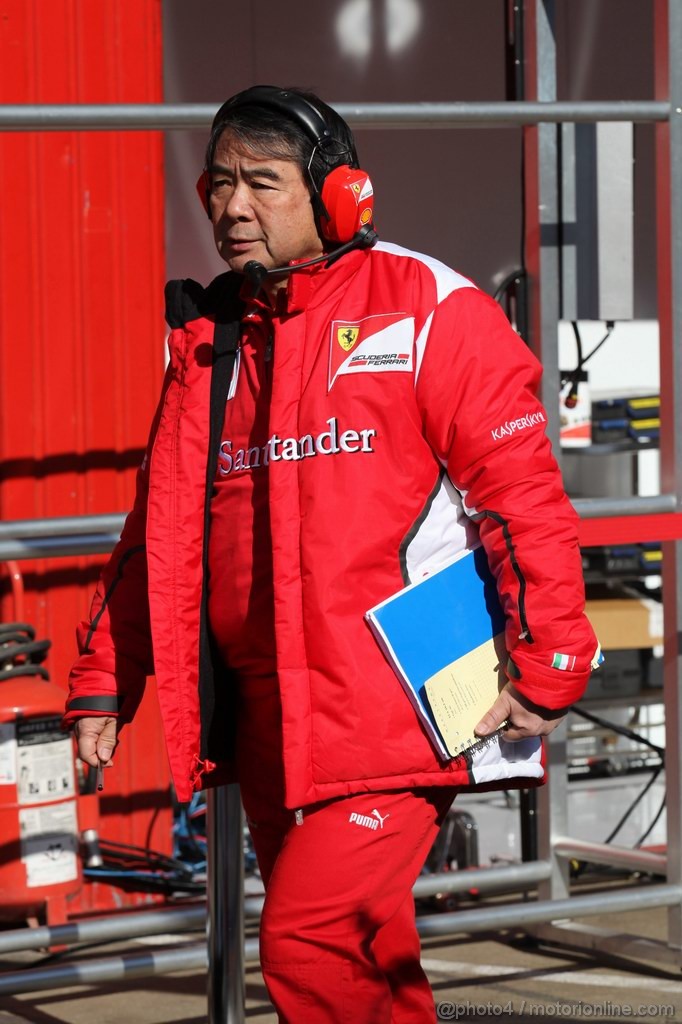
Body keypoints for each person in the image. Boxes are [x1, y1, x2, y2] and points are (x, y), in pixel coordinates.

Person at [65, 85, 599, 1022]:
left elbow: (521, 501)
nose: (231, 207)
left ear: (339, 194)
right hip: (268, 714)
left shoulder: (433, 306)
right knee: (365, 959)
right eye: (218, 183)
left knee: (309, 940)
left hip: (403, 709)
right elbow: (162, 527)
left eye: (262, 183)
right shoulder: (208, 337)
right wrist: (107, 680)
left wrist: (551, 657)